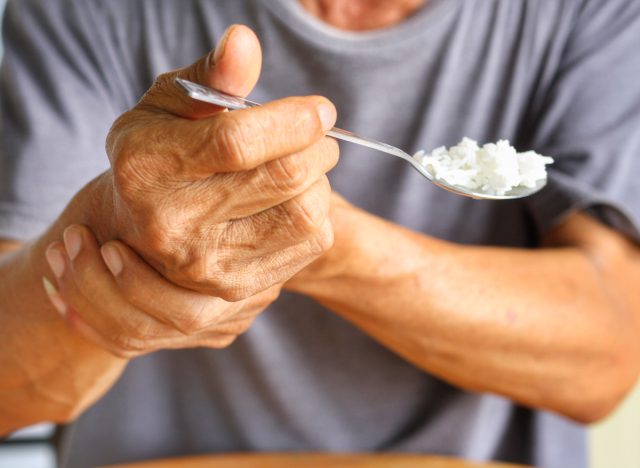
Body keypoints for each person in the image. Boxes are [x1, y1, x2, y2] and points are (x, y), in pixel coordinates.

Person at [1, 0, 639, 467]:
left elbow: (604, 357)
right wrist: (113, 244)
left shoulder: (595, 16)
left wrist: (316, 237)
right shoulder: (88, 10)